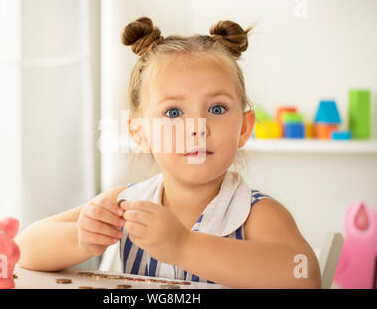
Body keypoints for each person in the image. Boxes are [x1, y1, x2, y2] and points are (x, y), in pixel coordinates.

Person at [16, 17, 321, 288]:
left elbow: (304, 276)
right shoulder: (127, 204)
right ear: (141, 133)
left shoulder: (255, 214)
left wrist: (184, 246)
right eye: (174, 112)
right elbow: (23, 249)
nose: (197, 127)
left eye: (217, 108)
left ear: (244, 128)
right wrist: (80, 239)